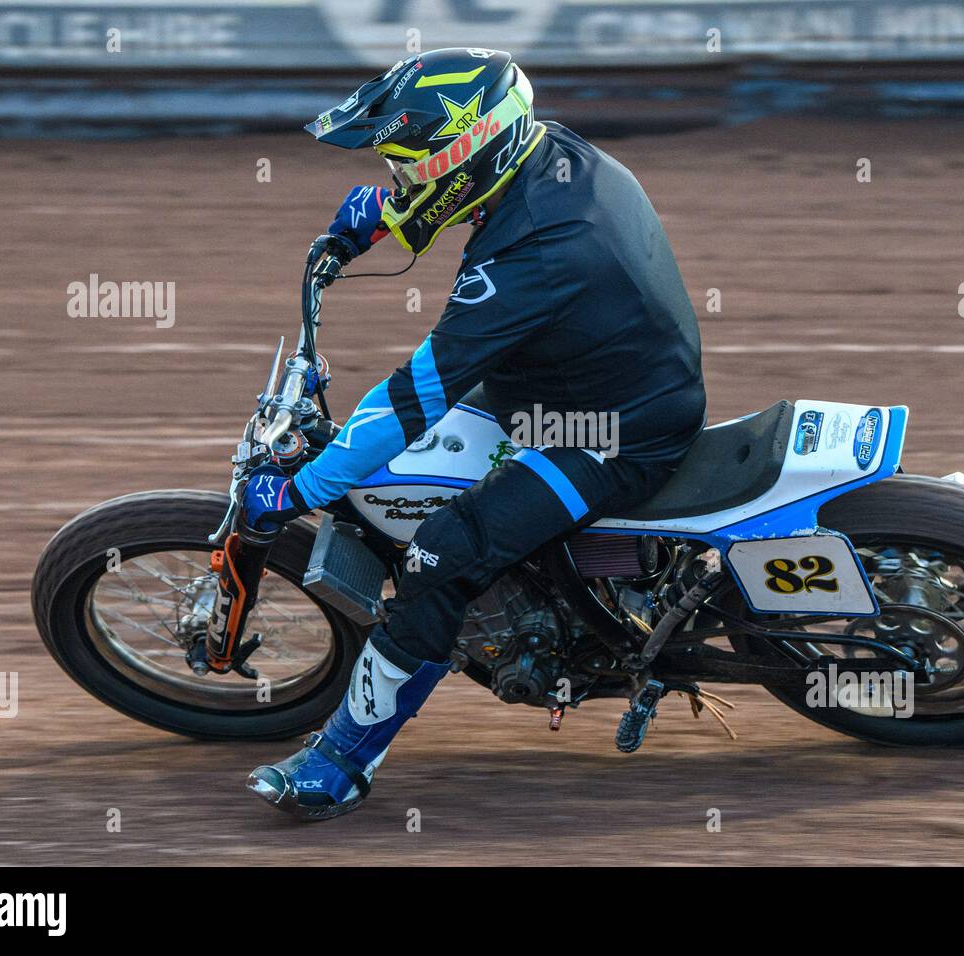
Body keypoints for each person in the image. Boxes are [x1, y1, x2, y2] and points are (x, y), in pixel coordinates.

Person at [243, 48, 706, 819]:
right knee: (411, 470)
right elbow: (463, 190)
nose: (397, 179)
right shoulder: (548, 153)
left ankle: (343, 763)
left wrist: (301, 488)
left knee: (440, 555)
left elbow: (414, 396)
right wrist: (386, 219)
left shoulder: (533, 259)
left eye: (404, 166)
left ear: (464, 153)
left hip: (610, 432)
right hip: (583, 380)